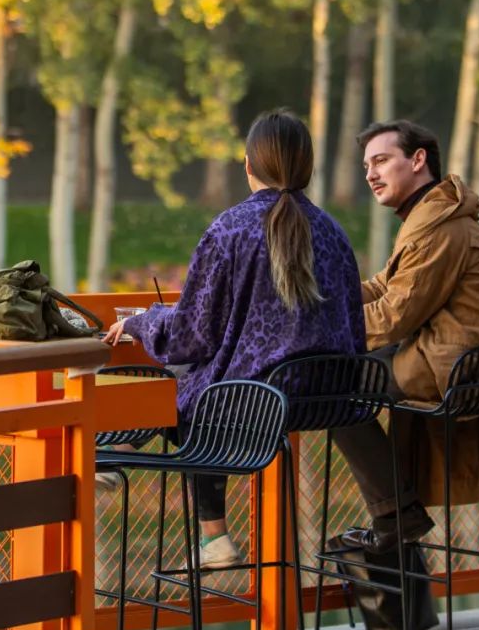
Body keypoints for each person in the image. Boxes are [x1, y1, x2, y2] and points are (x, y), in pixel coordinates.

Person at [104, 109, 365, 568]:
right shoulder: (334, 232)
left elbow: (190, 335)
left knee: (182, 383)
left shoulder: (230, 229)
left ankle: (116, 455)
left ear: (248, 165)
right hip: (329, 394)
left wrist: (143, 321)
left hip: (254, 400)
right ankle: (121, 461)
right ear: (308, 167)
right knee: (198, 384)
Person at [331, 118, 479, 553]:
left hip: (456, 366)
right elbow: (384, 287)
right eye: (366, 166)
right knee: (337, 380)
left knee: (329, 386)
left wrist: (316, 326)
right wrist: (323, 298)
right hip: (459, 359)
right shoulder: (430, 217)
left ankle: (397, 514)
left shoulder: (441, 227)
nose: (370, 174)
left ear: (418, 160)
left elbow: (395, 314)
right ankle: (397, 512)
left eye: (381, 160)